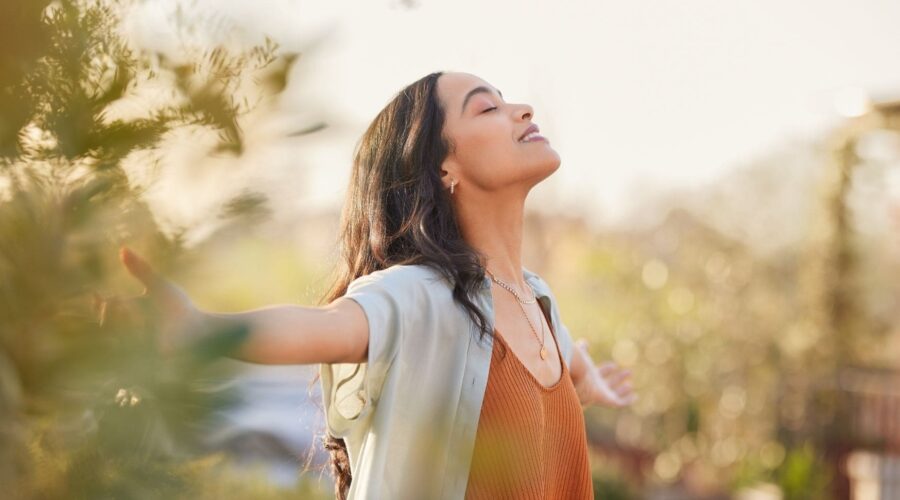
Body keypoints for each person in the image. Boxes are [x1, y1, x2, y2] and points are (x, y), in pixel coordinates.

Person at [115, 71, 637, 499]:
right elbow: (326, 326)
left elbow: (562, 357)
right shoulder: (421, 295)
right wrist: (201, 330)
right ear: (443, 167)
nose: (522, 109)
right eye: (486, 108)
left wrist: (583, 380)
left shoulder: (537, 301)